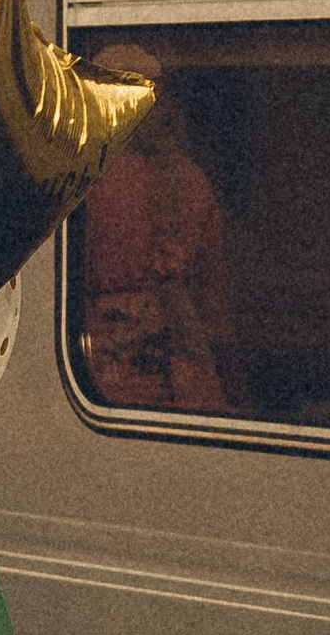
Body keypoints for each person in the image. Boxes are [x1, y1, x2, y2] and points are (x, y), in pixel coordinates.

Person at [74, 40, 248, 416]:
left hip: (104, 375)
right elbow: (213, 303)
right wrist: (237, 390)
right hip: (188, 375)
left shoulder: (83, 184)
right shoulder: (192, 181)